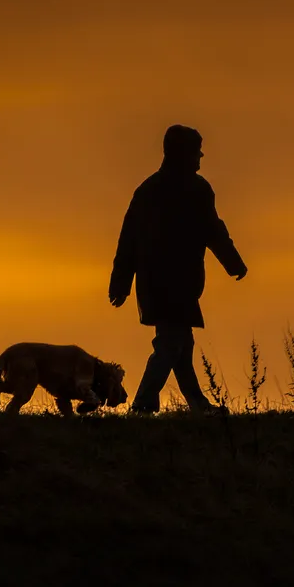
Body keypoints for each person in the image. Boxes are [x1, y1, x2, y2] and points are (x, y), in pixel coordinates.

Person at [108, 124, 248, 413]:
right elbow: (214, 230)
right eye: (197, 151)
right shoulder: (195, 189)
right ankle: (143, 404)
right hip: (176, 285)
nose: (201, 156)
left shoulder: (147, 190)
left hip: (157, 284)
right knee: (171, 344)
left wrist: (121, 283)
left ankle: (197, 403)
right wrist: (233, 262)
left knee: (181, 344)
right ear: (184, 154)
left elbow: (127, 240)